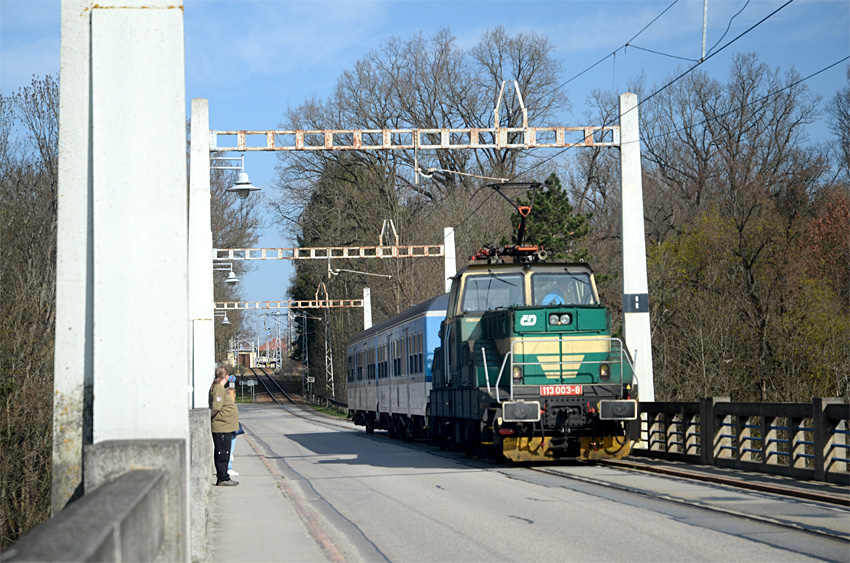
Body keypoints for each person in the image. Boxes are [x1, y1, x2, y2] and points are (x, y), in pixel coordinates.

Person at [210, 366, 239, 486]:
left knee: (224, 452)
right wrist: (209, 417)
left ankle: (224, 476)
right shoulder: (219, 389)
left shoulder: (220, 388)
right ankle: (222, 478)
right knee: (222, 453)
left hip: (225, 426)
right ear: (226, 376)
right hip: (222, 426)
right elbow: (216, 407)